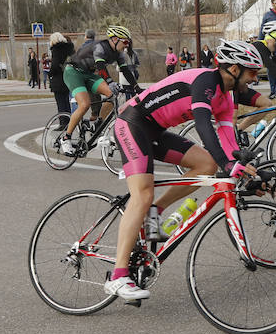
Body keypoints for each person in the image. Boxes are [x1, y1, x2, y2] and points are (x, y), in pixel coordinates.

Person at [104, 40, 265, 300]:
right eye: (252, 73)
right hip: (131, 124)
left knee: (207, 165)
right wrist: (228, 164)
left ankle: (156, 211)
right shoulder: (205, 82)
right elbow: (203, 127)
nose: (254, 80)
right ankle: (118, 276)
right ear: (234, 70)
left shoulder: (225, 97)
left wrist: (245, 169)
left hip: (154, 131)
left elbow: (228, 143)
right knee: (142, 195)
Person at [59, 25, 141, 156]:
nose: (127, 45)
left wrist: (137, 88)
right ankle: (66, 138)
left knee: (112, 95)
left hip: (89, 74)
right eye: (125, 41)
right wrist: (110, 81)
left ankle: (98, 124)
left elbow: (125, 70)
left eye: (128, 42)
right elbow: (100, 66)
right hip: (73, 72)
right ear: (114, 39)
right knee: (85, 104)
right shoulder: (100, 47)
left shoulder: (119, 53)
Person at [49, 32, 75, 129]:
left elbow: (55, 65)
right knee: (66, 101)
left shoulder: (56, 49)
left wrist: (50, 73)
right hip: (68, 77)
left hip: (58, 79)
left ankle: (63, 123)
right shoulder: (69, 49)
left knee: (60, 102)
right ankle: (69, 121)